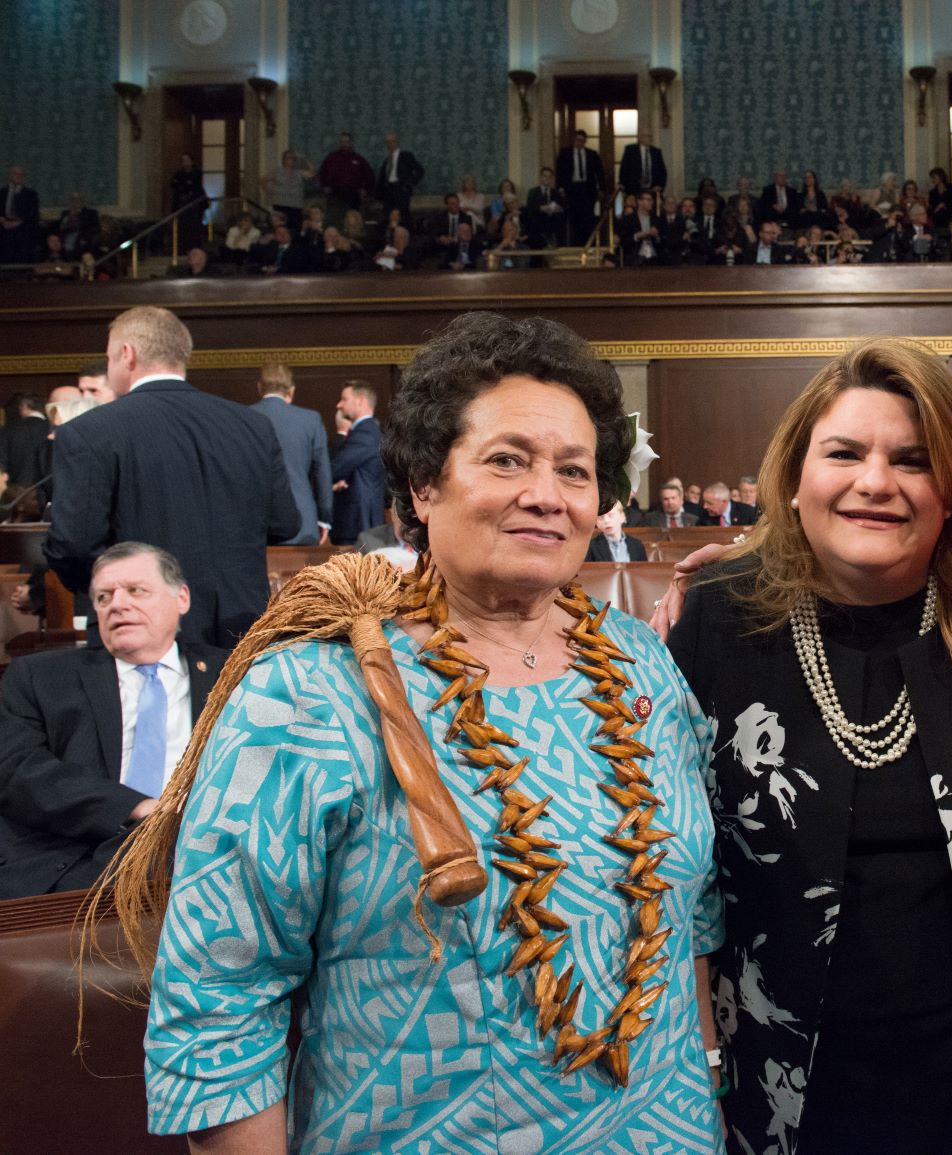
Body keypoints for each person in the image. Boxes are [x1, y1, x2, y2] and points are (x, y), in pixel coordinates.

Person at [110, 311, 723, 1153]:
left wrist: (710, 1081)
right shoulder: (309, 692)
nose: (547, 493)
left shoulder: (639, 662)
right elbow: (222, 1008)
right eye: (507, 459)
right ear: (425, 484)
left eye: (575, 471)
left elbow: (690, 915)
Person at [666, 338, 952, 1155]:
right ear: (795, 480)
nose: (875, 481)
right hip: (772, 1081)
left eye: (912, 459)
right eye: (844, 453)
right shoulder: (719, 613)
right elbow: (673, 869)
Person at [44, 307, 300, 647]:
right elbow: (285, 524)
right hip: (242, 627)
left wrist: (110, 591)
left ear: (126, 354)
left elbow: (74, 544)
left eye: (108, 358)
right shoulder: (252, 426)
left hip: (142, 631)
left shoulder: (88, 432)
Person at [0, 543, 226, 899]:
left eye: (136, 591)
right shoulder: (40, 677)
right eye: (104, 597)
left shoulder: (233, 675)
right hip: (78, 862)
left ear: (181, 598)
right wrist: (136, 806)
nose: (117, 604)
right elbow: (17, 770)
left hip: (204, 855)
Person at [251, 363, 333, 546]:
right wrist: (324, 518)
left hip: (255, 519)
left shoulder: (245, 417)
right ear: (291, 391)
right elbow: (322, 473)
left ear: (259, 387)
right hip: (302, 520)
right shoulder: (310, 420)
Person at [330, 380, 386, 545]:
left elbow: (337, 467)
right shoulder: (365, 431)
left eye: (344, 399)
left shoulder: (365, 433)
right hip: (359, 521)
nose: (339, 404)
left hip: (358, 522)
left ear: (360, 401)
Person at [315, 132, 373, 215]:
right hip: (335, 194)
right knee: (335, 218)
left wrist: (364, 189)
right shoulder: (331, 158)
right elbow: (321, 172)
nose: (344, 144)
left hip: (353, 195)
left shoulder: (359, 159)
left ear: (351, 143)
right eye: (342, 141)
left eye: (346, 142)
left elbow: (369, 175)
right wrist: (324, 186)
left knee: (352, 219)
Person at [374, 132, 424, 221]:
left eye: (392, 141)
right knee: (387, 217)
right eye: (387, 142)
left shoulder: (406, 156)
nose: (389, 144)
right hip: (388, 192)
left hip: (401, 190)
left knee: (403, 216)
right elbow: (382, 178)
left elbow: (420, 170)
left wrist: (410, 184)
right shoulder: (386, 161)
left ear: (396, 142)